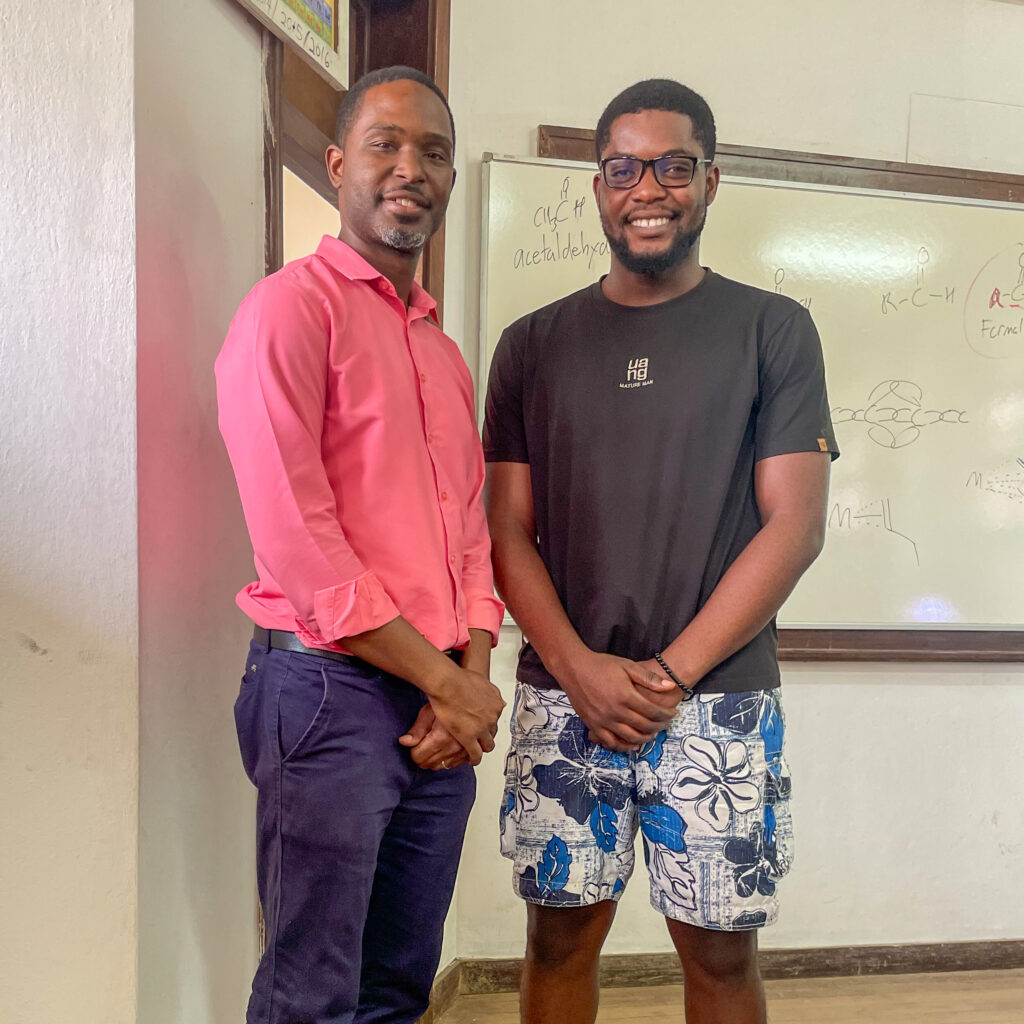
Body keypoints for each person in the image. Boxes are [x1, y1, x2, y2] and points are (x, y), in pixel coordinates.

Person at [483, 78, 838, 1024]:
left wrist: (668, 676)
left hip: (717, 700)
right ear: (597, 187)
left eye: (674, 165)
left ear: (711, 181)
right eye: (624, 168)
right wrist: (579, 670)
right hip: (566, 699)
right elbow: (504, 530)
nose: (650, 187)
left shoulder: (774, 331)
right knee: (555, 941)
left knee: (721, 959)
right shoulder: (529, 346)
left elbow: (794, 527)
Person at [216, 66, 505, 1024]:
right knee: (312, 990)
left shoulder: (442, 352)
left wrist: (469, 669)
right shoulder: (288, 311)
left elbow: (468, 532)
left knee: (396, 987)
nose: (409, 168)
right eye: (385, 144)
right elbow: (299, 539)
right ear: (339, 165)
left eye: (433, 152)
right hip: (326, 695)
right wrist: (449, 683)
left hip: (436, 714)